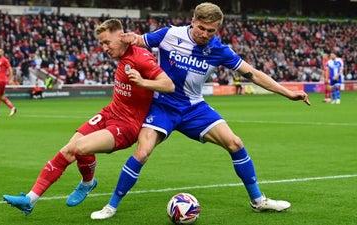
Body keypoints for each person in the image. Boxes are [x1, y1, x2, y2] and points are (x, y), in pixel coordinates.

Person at [90, 2, 311, 220]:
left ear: (218, 29)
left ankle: (258, 201)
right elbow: (139, 40)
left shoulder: (219, 50)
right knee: (143, 152)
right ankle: (111, 206)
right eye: (201, 28)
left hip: (194, 107)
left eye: (211, 30)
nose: (205, 34)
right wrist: (129, 37)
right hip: (162, 106)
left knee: (235, 143)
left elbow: (252, 73)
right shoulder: (169, 34)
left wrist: (288, 93)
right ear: (193, 21)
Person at [2, 19, 174, 215]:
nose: (104, 48)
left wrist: (142, 82)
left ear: (121, 36)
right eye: (101, 43)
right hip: (109, 113)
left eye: (107, 42)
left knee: (81, 147)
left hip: (127, 126)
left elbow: (168, 85)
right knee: (68, 149)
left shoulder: (141, 57)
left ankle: (87, 182)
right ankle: (30, 199)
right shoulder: (123, 55)